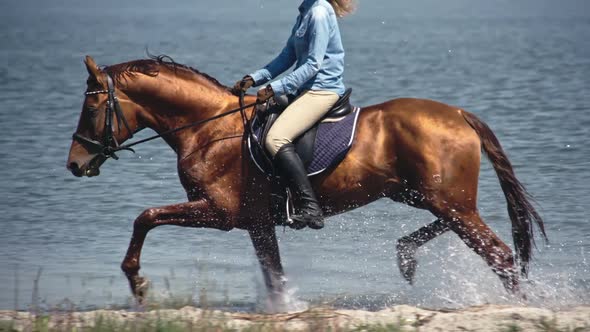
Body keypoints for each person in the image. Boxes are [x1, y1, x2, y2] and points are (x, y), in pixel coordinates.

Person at [234, 0, 355, 229]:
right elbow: (287, 56)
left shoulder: (318, 13)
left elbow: (312, 66)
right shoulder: (306, 10)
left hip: (322, 90)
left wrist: (274, 89)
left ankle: (311, 208)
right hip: (304, 89)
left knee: (276, 138)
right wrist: (254, 78)